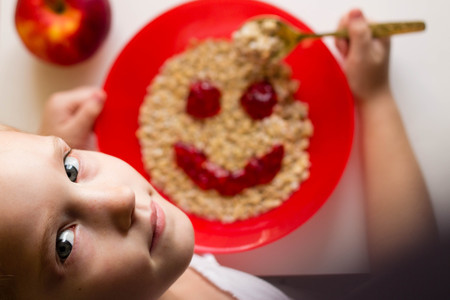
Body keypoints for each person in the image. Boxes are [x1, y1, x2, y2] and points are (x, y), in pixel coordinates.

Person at [0, 8, 439, 299]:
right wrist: (378, 101)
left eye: (71, 167)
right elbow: (419, 286)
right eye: (63, 245)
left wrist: (45, 162)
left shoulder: (146, 259)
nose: (118, 199)